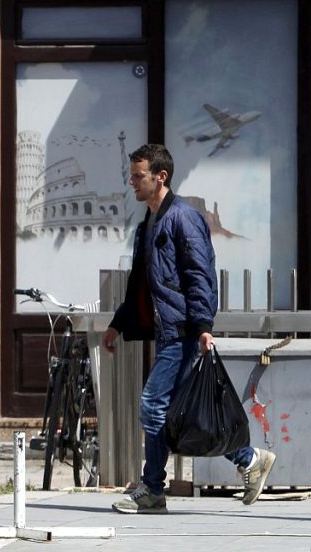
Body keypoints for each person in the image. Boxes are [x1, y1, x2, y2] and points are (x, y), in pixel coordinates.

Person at [102, 144, 275, 514]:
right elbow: (140, 283)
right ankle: (248, 459)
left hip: (182, 330)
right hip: (168, 330)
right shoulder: (147, 224)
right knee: (177, 413)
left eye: (138, 175)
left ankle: (152, 489)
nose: (132, 182)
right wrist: (118, 324)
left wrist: (203, 325)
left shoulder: (183, 217)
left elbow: (200, 273)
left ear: (160, 176)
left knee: (153, 404)